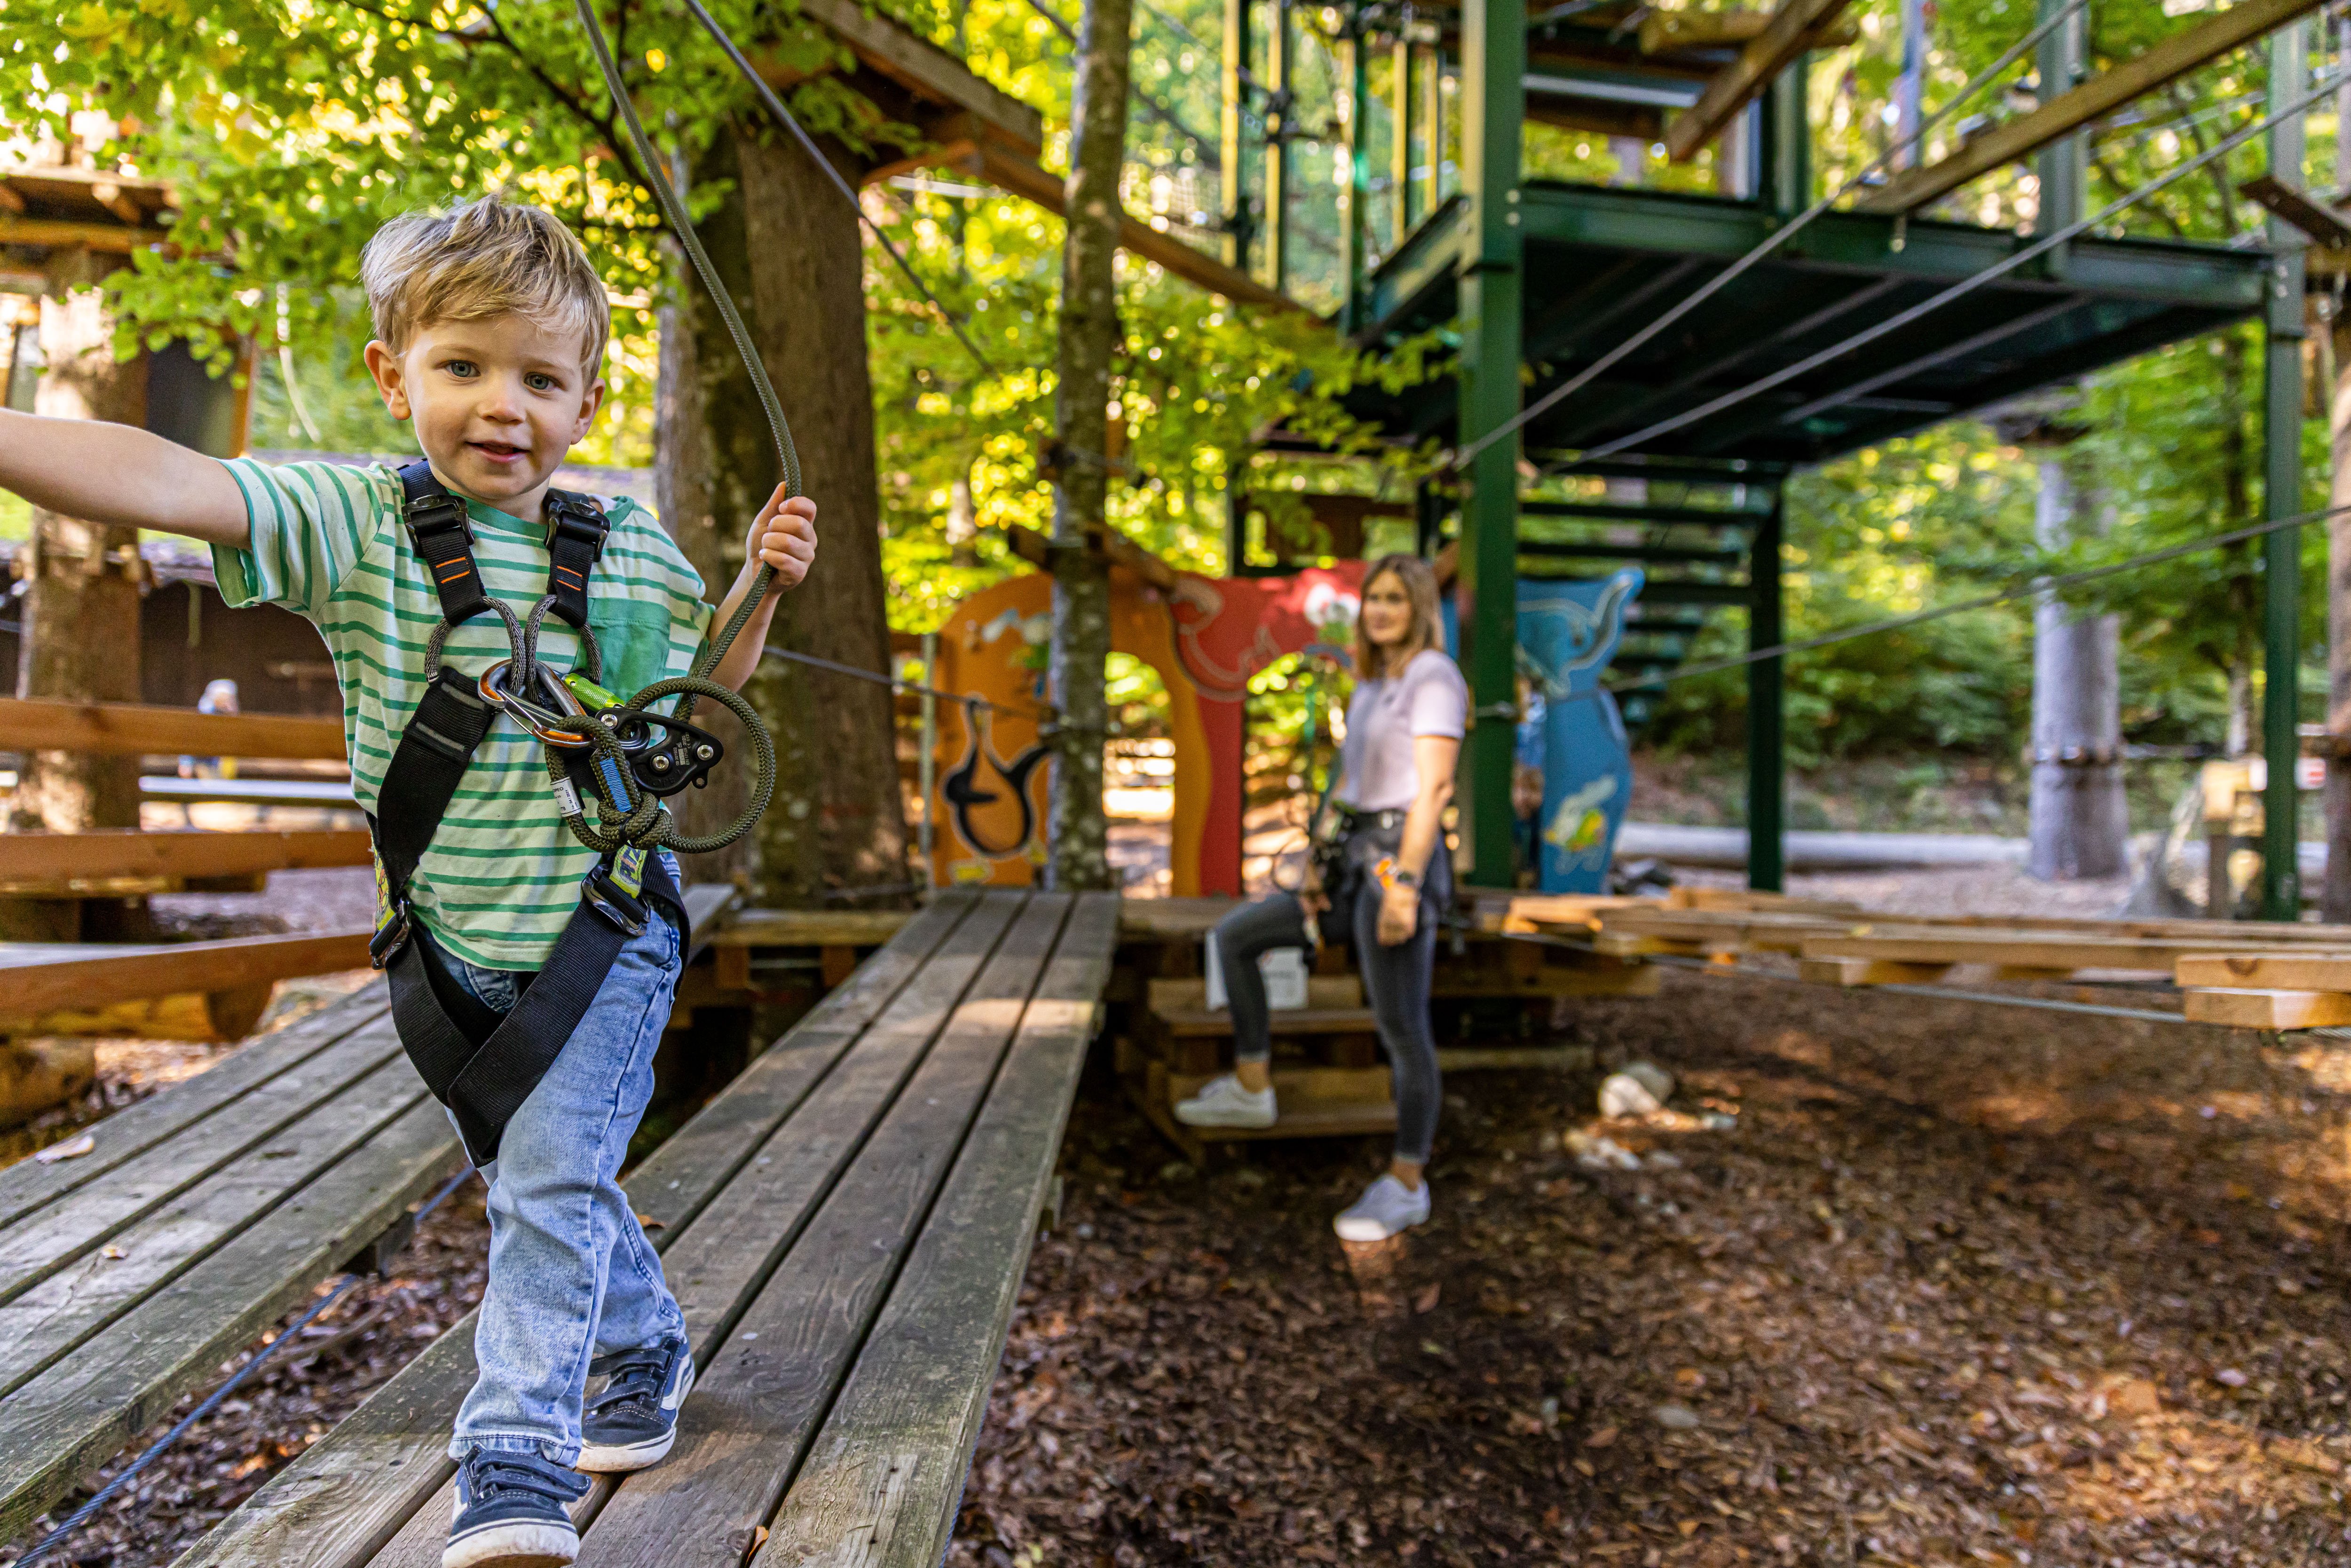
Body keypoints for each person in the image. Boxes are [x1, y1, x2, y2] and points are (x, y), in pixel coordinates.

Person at [0, 197, 819, 1568]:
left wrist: (758, 591)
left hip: (603, 932)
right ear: (395, 374)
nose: (504, 406)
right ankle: (647, 1346)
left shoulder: (628, 548)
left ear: (590, 397)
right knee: (542, 1175)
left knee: (547, 1185)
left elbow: (696, 694)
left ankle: (511, 1465)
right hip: (443, 944)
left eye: (542, 379)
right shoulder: (355, 522)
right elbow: (160, 476)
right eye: (464, 367)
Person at [1176, 553, 1466, 1242]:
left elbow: (1434, 791)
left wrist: (1408, 890)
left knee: (1400, 1025)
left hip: (1398, 862)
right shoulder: (1371, 684)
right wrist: (1312, 858)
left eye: (1396, 598)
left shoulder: (1433, 678)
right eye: (1374, 599)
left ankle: (1406, 1183)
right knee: (1239, 936)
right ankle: (1252, 1086)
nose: (1383, 610)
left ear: (1419, 606)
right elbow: (1346, 785)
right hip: (1350, 858)